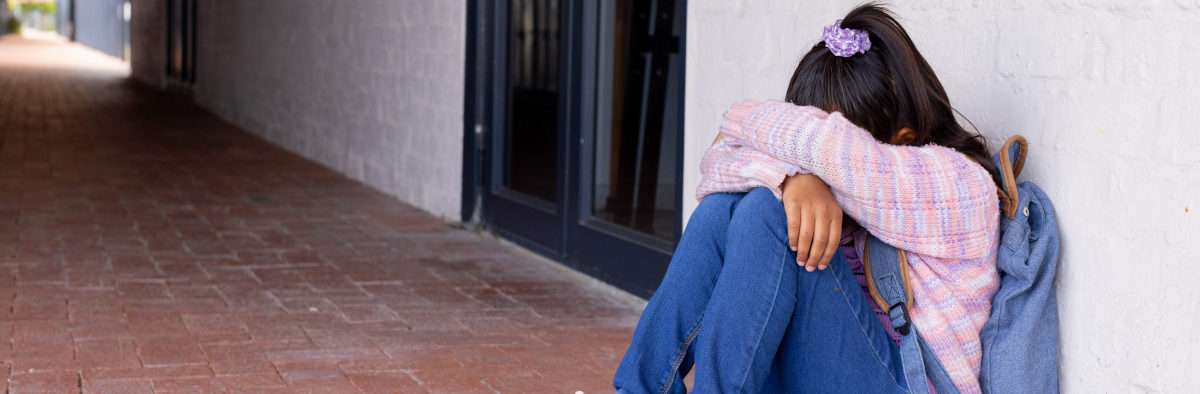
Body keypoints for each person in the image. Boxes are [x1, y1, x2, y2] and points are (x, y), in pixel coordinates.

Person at [613, 3, 1003, 393]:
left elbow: (829, 149)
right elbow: (716, 163)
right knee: (725, 206)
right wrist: (795, 176)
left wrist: (746, 127)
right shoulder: (830, 171)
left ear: (903, 139)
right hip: (827, 369)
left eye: (809, 155)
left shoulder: (961, 185)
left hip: (907, 384)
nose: (809, 163)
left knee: (768, 213)